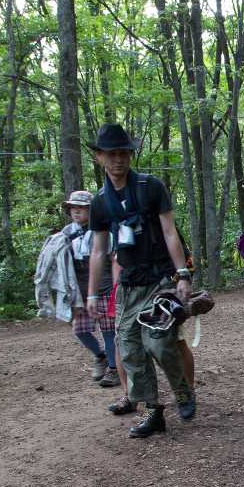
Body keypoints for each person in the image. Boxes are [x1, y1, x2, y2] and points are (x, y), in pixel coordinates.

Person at [85, 123, 195, 438]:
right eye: (111, 153)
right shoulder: (99, 203)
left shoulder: (151, 187)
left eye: (124, 153)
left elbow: (170, 231)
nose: (118, 159)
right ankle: (154, 412)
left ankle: (183, 390)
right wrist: (92, 295)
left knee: (159, 343)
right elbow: (98, 250)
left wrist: (182, 275)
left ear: (131, 155)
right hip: (128, 286)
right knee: (130, 352)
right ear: (99, 157)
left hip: (160, 278)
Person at [61, 191, 119, 387]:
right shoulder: (66, 233)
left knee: (108, 331)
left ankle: (113, 368)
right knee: (79, 329)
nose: (76, 211)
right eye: (73, 207)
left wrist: (115, 287)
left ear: (91, 210)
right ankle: (100, 356)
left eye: (81, 207)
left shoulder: (104, 231)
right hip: (79, 291)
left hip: (104, 288)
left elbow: (113, 259)